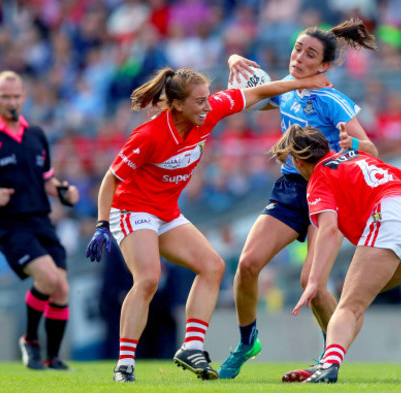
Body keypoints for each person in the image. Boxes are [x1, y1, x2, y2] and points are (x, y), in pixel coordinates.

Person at [85, 67, 331, 383]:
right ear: (177, 105)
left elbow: (256, 93)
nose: (207, 106)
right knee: (148, 278)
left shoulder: (209, 112)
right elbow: (111, 179)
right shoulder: (149, 135)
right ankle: (125, 365)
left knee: (212, 266)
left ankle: (192, 346)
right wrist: (102, 225)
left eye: (207, 99)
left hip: (166, 212)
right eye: (199, 101)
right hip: (132, 210)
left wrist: (303, 82)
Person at [220, 18, 379, 382]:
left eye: (310, 55)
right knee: (247, 264)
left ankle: (330, 354)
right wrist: (233, 59)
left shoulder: (332, 100)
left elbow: (371, 149)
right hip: (292, 186)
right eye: (297, 49)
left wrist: (349, 146)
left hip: (328, 187)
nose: (300, 57)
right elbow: (251, 100)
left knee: (314, 281)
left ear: (324, 65)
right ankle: (247, 342)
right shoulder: (288, 91)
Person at [272, 124, 401, 383]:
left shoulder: (319, 177)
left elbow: (328, 230)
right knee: (355, 302)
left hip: (393, 216)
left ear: (299, 161)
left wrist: (314, 280)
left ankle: (328, 366)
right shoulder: (357, 156)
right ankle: (327, 362)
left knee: (347, 306)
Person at [0, 71, 79, 370]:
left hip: (41, 220)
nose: (11, 101)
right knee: (48, 278)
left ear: (24, 97)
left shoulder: (36, 135)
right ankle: (29, 341)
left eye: (16, 96)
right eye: (5, 96)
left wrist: (64, 192)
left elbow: (47, 179)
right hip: (9, 224)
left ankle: (53, 358)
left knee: (62, 288)